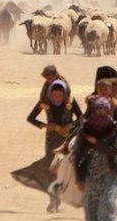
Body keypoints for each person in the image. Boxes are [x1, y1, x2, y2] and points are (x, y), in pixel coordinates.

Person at [74, 96, 117, 221]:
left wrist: (95, 142)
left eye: (105, 109)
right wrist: (79, 178)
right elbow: (78, 154)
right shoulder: (84, 129)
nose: (102, 112)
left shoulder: (115, 128)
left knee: (109, 204)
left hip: (110, 173)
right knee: (92, 208)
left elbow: (113, 151)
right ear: (93, 110)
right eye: (98, 109)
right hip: (90, 175)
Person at [25, 80, 81, 212]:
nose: (57, 98)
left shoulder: (71, 102)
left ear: (65, 94)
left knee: (69, 168)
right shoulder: (45, 103)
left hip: (68, 138)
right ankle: (54, 201)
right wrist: (45, 125)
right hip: (52, 140)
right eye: (54, 96)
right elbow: (30, 118)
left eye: (60, 96)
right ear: (50, 94)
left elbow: (82, 118)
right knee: (52, 169)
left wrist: (70, 125)